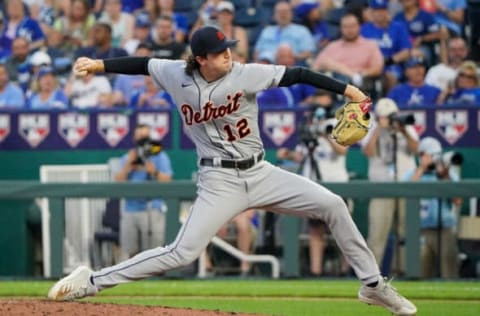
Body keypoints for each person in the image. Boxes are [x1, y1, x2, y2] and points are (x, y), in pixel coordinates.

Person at [48, 25, 417, 316]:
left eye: (229, 48)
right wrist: (100, 65)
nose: (229, 54)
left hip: (261, 173)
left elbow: (300, 73)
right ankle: (92, 280)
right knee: (183, 253)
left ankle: (372, 285)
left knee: (334, 204)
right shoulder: (175, 72)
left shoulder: (245, 73)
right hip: (218, 179)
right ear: (200, 59)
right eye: (220, 52)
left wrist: (348, 90)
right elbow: (142, 63)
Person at [277, 107, 350, 277]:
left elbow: (342, 150)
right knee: (315, 229)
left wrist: (326, 134)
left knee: (342, 228)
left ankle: (348, 269)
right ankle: (315, 271)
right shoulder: (310, 131)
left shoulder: (336, 126)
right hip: (315, 185)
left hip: (336, 184)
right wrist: (288, 155)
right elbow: (302, 156)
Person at [361, 98, 419, 275]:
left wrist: (402, 130)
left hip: (405, 186)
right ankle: (372, 276)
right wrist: (379, 127)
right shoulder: (370, 127)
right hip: (381, 188)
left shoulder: (405, 127)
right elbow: (368, 151)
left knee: (406, 233)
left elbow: (416, 149)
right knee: (377, 234)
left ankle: (404, 271)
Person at [403, 137, 460, 278]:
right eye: (427, 155)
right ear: (421, 155)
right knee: (420, 269)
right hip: (420, 230)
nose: (432, 159)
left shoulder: (446, 174)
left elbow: (457, 200)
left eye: (434, 156)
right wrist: (422, 168)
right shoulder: (412, 174)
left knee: (449, 269)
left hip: (444, 228)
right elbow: (406, 191)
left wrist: (445, 176)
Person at [114, 124, 173, 259]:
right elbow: (118, 181)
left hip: (153, 207)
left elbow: (168, 180)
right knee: (131, 252)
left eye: (145, 137)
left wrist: (153, 171)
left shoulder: (159, 155)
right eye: (139, 136)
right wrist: (129, 164)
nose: (142, 140)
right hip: (131, 208)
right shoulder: (129, 156)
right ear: (134, 138)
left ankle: (153, 279)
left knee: (153, 253)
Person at [312, 12, 384, 94]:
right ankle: (350, 75)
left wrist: (362, 73)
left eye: (352, 26)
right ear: (340, 28)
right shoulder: (333, 46)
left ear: (359, 27)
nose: (349, 30)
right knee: (326, 63)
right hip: (335, 87)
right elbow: (316, 67)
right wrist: (347, 72)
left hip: (362, 86)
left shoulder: (370, 45)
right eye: (346, 27)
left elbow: (378, 68)